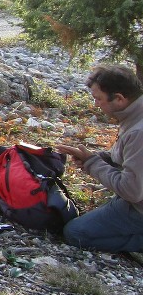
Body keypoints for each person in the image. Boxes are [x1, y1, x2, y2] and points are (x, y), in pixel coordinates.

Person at [54, 64, 143, 253]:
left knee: (76, 233)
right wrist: (97, 157)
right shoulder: (134, 114)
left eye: (98, 99)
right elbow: (129, 159)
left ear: (119, 98)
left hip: (138, 207)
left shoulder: (138, 132)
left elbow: (131, 190)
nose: (96, 105)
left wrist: (92, 163)